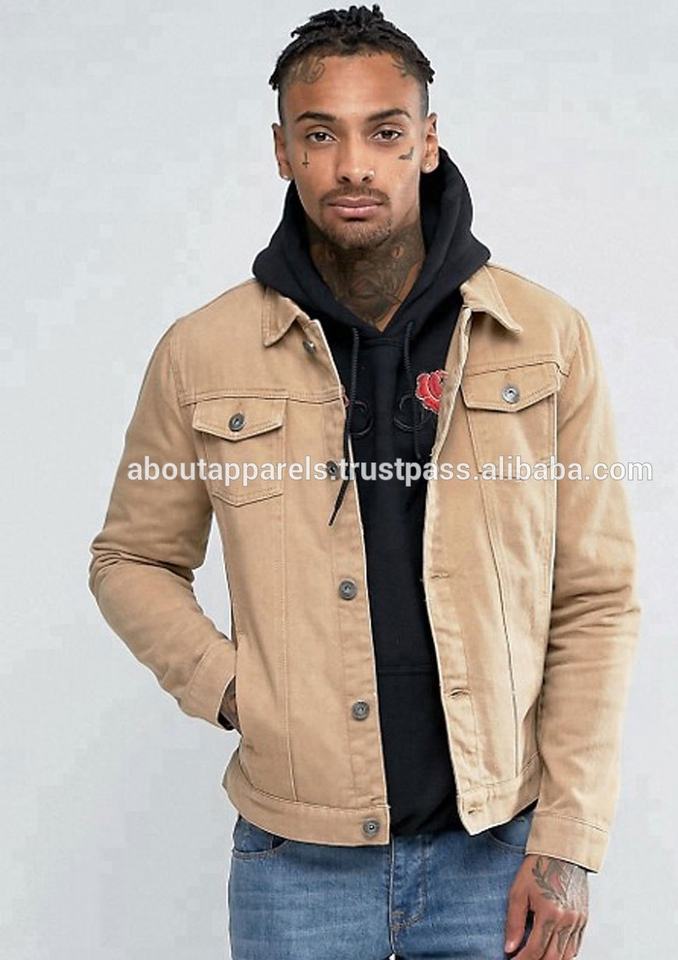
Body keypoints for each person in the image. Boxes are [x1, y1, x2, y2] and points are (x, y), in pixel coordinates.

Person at [88, 5, 641, 958]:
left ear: (427, 141)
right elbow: (130, 559)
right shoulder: (203, 351)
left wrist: (568, 842)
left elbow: (595, 594)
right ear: (281, 151)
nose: (353, 165)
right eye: (320, 135)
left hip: (497, 853)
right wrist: (237, 691)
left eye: (384, 132)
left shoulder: (544, 339)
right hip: (295, 862)